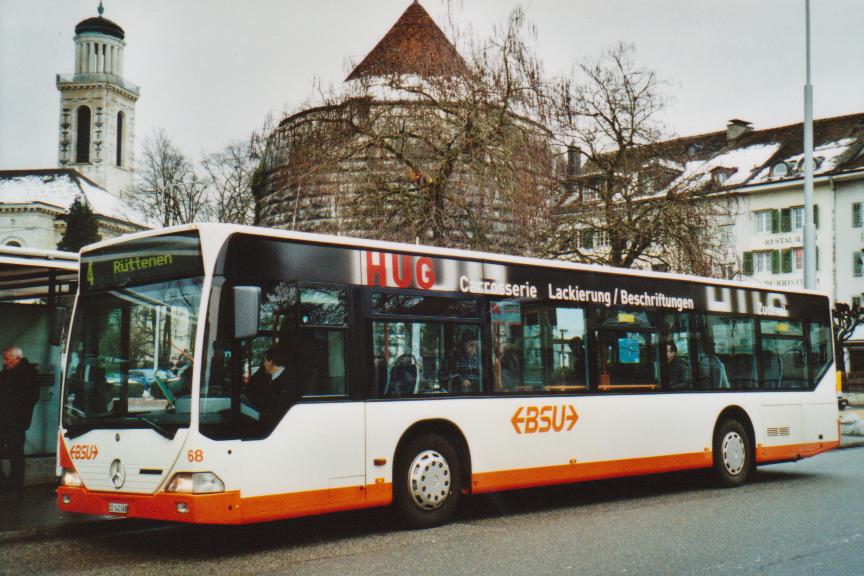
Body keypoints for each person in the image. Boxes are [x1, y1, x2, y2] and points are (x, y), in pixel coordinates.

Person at [0, 347, 40, 501]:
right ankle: (7, 485)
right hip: (6, 419)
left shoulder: (28, 374)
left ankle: (14, 487)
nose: (4, 362)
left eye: (7, 358)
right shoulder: (7, 373)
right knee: (15, 454)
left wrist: (17, 413)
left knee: (15, 454)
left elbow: (31, 398)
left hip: (15, 421)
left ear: (17, 358)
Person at [247, 347, 300, 421]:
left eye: (265, 361)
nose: (264, 364)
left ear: (272, 362)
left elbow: (274, 408)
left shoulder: (287, 382)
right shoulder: (276, 378)